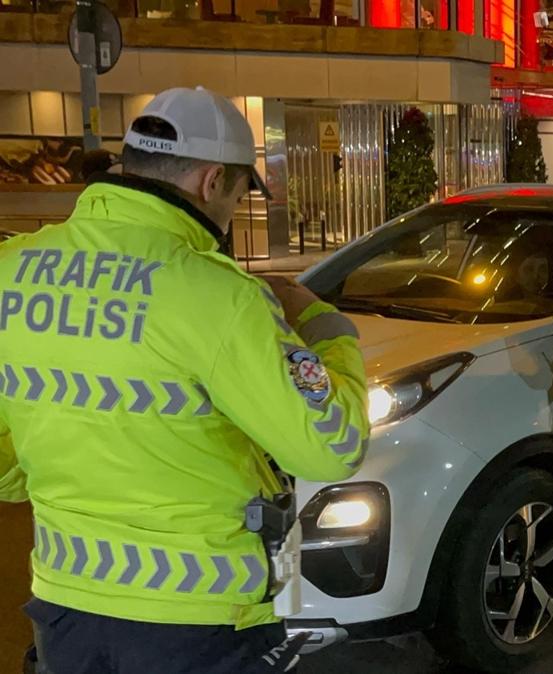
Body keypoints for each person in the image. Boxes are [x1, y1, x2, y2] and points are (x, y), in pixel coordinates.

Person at [0, 87, 370, 672]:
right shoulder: (217, 294)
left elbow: (4, 469)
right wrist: (330, 335)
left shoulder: (12, 270)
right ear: (212, 182)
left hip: (65, 607)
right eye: (239, 191)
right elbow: (333, 445)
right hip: (196, 621)